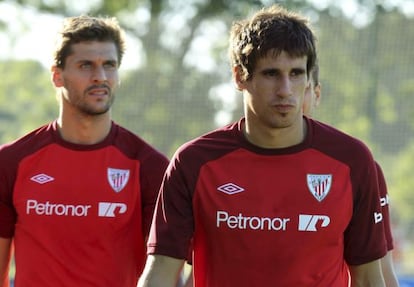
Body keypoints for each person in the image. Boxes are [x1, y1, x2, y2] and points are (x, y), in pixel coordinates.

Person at [138, 4, 387, 287]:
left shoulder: (351, 160)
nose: (285, 90)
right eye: (271, 74)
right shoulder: (194, 162)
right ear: (239, 76)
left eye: (296, 73)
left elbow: (368, 279)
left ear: (308, 77)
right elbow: (161, 272)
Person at [0, 15, 169, 287]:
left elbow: (168, 268)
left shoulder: (150, 166)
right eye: (85, 65)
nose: (100, 77)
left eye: (109, 66)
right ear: (57, 76)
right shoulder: (11, 162)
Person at [303, 64, 400, 287]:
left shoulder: (357, 167)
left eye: (303, 86)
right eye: (272, 75)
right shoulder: (223, 163)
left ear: (317, 95)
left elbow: (383, 273)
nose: (290, 94)